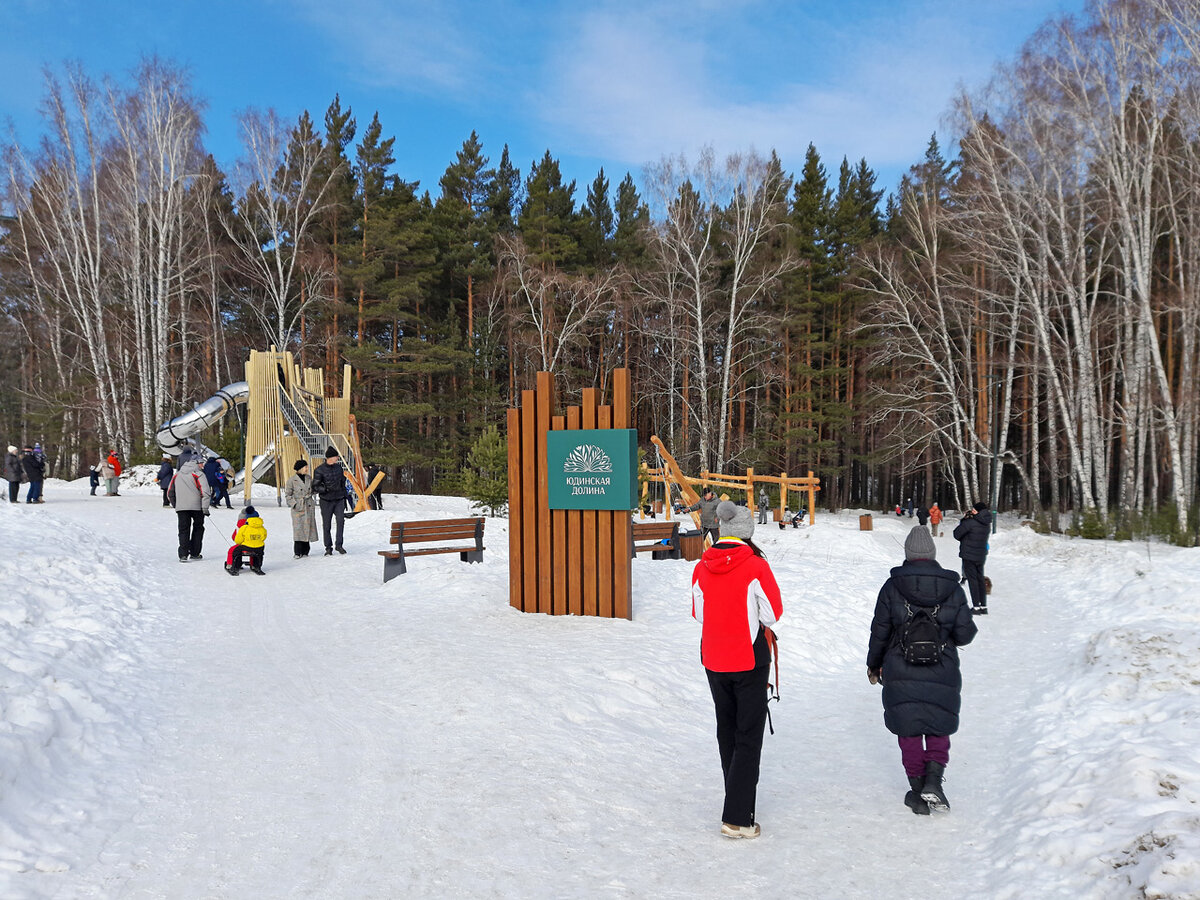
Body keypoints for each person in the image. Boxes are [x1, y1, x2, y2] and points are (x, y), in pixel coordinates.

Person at [867, 526, 976, 815]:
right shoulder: (952, 588)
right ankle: (934, 782)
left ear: (907, 554)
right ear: (932, 554)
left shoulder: (892, 588)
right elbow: (965, 634)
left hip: (900, 668)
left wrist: (873, 664)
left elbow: (879, 631)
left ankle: (917, 790)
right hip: (943, 668)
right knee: (939, 725)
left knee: (909, 729)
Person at [691, 500, 782, 839]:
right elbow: (773, 613)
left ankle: (736, 802)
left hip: (713, 657)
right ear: (748, 532)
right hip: (748, 658)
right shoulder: (755, 565)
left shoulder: (703, 564)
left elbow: (699, 614)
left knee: (726, 729)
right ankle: (738, 817)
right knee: (748, 735)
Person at [167, 447, 210, 562]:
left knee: (183, 530)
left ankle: (183, 554)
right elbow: (205, 492)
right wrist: (205, 507)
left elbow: (170, 491)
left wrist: (176, 505)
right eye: (201, 463)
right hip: (197, 507)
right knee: (198, 528)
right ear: (196, 463)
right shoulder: (199, 474)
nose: (202, 466)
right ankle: (195, 553)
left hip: (181, 508)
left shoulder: (177, 475)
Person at [953, 501, 993, 615]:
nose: (972, 511)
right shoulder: (987, 523)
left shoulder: (970, 522)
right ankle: (983, 606)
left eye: (974, 510)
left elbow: (957, 534)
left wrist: (965, 520)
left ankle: (976, 607)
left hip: (969, 555)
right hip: (980, 555)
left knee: (973, 580)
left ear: (978, 511)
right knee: (980, 578)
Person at [312, 446, 348, 555]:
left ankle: (339, 545)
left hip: (339, 499)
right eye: (336, 456)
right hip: (326, 500)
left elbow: (342, 483)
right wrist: (325, 489)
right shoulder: (319, 470)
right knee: (327, 524)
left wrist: (345, 496)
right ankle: (328, 547)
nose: (338, 458)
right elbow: (315, 486)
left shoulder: (339, 468)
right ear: (330, 458)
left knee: (341, 521)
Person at [284, 459, 318, 558]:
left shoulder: (309, 478)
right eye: (305, 467)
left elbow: (312, 490)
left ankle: (306, 550)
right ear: (299, 468)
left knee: (308, 527)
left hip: (308, 505)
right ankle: (297, 552)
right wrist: (295, 504)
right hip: (298, 507)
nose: (307, 469)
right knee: (298, 529)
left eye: (307, 467)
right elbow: (288, 495)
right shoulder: (292, 480)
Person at [224, 505, 267, 576]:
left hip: (247, 546)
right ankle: (256, 565)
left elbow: (238, 540)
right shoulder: (262, 528)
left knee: (235, 551)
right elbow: (264, 537)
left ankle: (235, 566)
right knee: (259, 552)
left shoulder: (244, 527)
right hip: (259, 548)